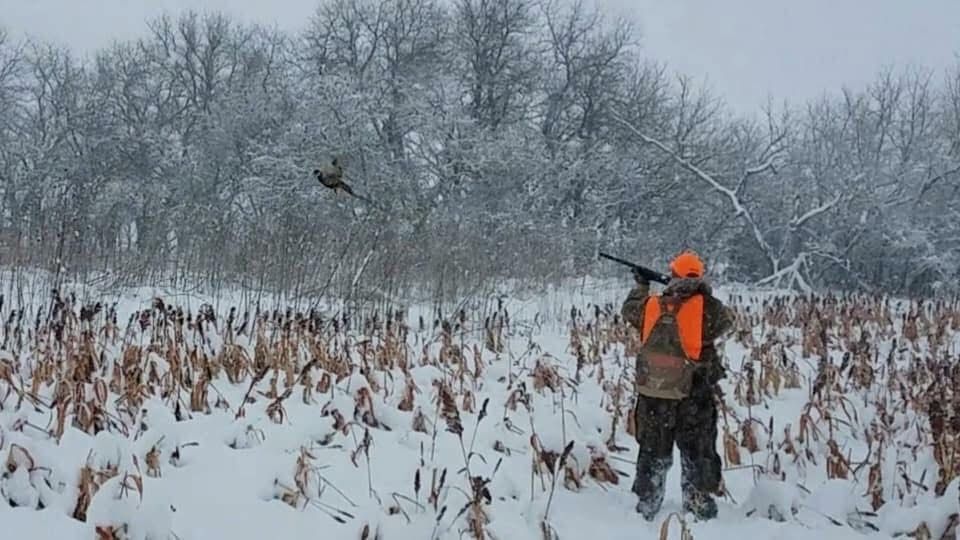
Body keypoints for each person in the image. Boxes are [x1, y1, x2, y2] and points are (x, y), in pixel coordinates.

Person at [620, 250, 735, 521]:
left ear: (672, 276)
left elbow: (629, 311)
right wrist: (700, 294)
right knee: (697, 451)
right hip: (694, 396)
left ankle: (647, 503)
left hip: (654, 393)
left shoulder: (650, 306)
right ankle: (697, 503)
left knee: (652, 450)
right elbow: (726, 321)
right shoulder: (709, 309)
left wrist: (642, 285)